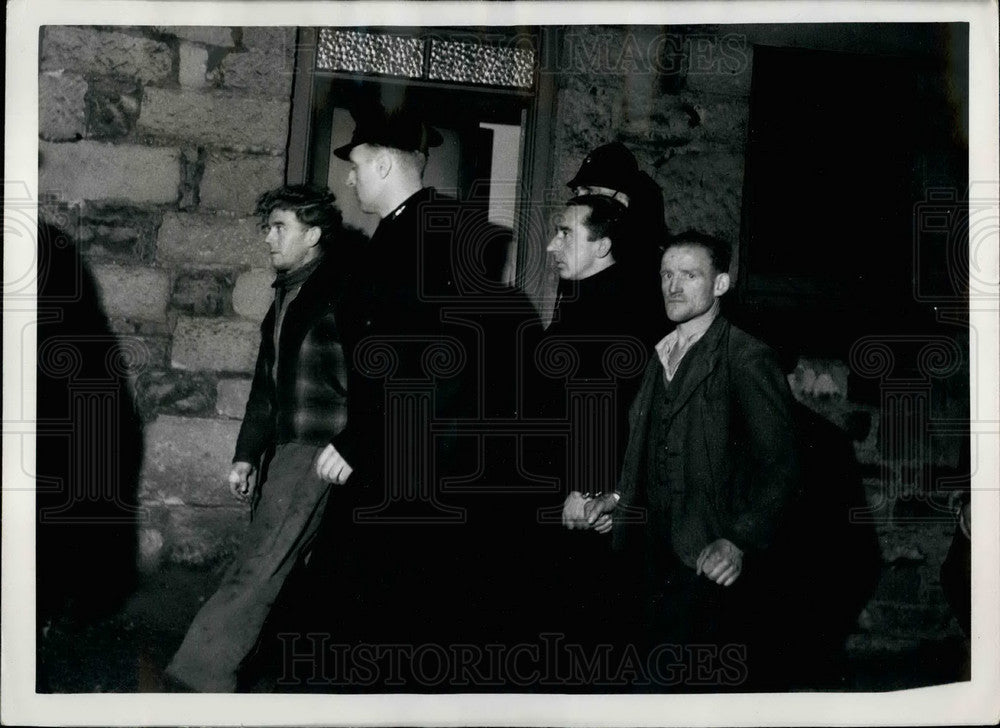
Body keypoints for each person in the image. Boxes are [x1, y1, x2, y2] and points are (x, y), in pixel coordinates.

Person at [579, 231, 799, 691]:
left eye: (690, 275)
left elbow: (781, 466)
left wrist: (738, 541)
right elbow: (647, 445)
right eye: (666, 275)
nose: (673, 287)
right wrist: (617, 498)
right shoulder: (657, 354)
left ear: (720, 284)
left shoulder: (746, 357)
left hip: (703, 560)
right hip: (647, 561)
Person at [164, 184, 353, 692]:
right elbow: (267, 387)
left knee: (259, 568)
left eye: (280, 228)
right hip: (287, 451)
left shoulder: (342, 290)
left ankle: (192, 684)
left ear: (312, 234)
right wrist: (247, 455)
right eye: (267, 227)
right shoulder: (286, 293)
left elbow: (380, 380)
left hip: (319, 451)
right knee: (282, 569)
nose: (269, 238)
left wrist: (354, 443)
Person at [525, 194, 667, 676]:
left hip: (580, 504)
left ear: (603, 245)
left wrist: (591, 490)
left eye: (565, 233)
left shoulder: (615, 312)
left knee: (580, 644)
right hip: (566, 494)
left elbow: (608, 408)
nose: (551, 245)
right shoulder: (583, 299)